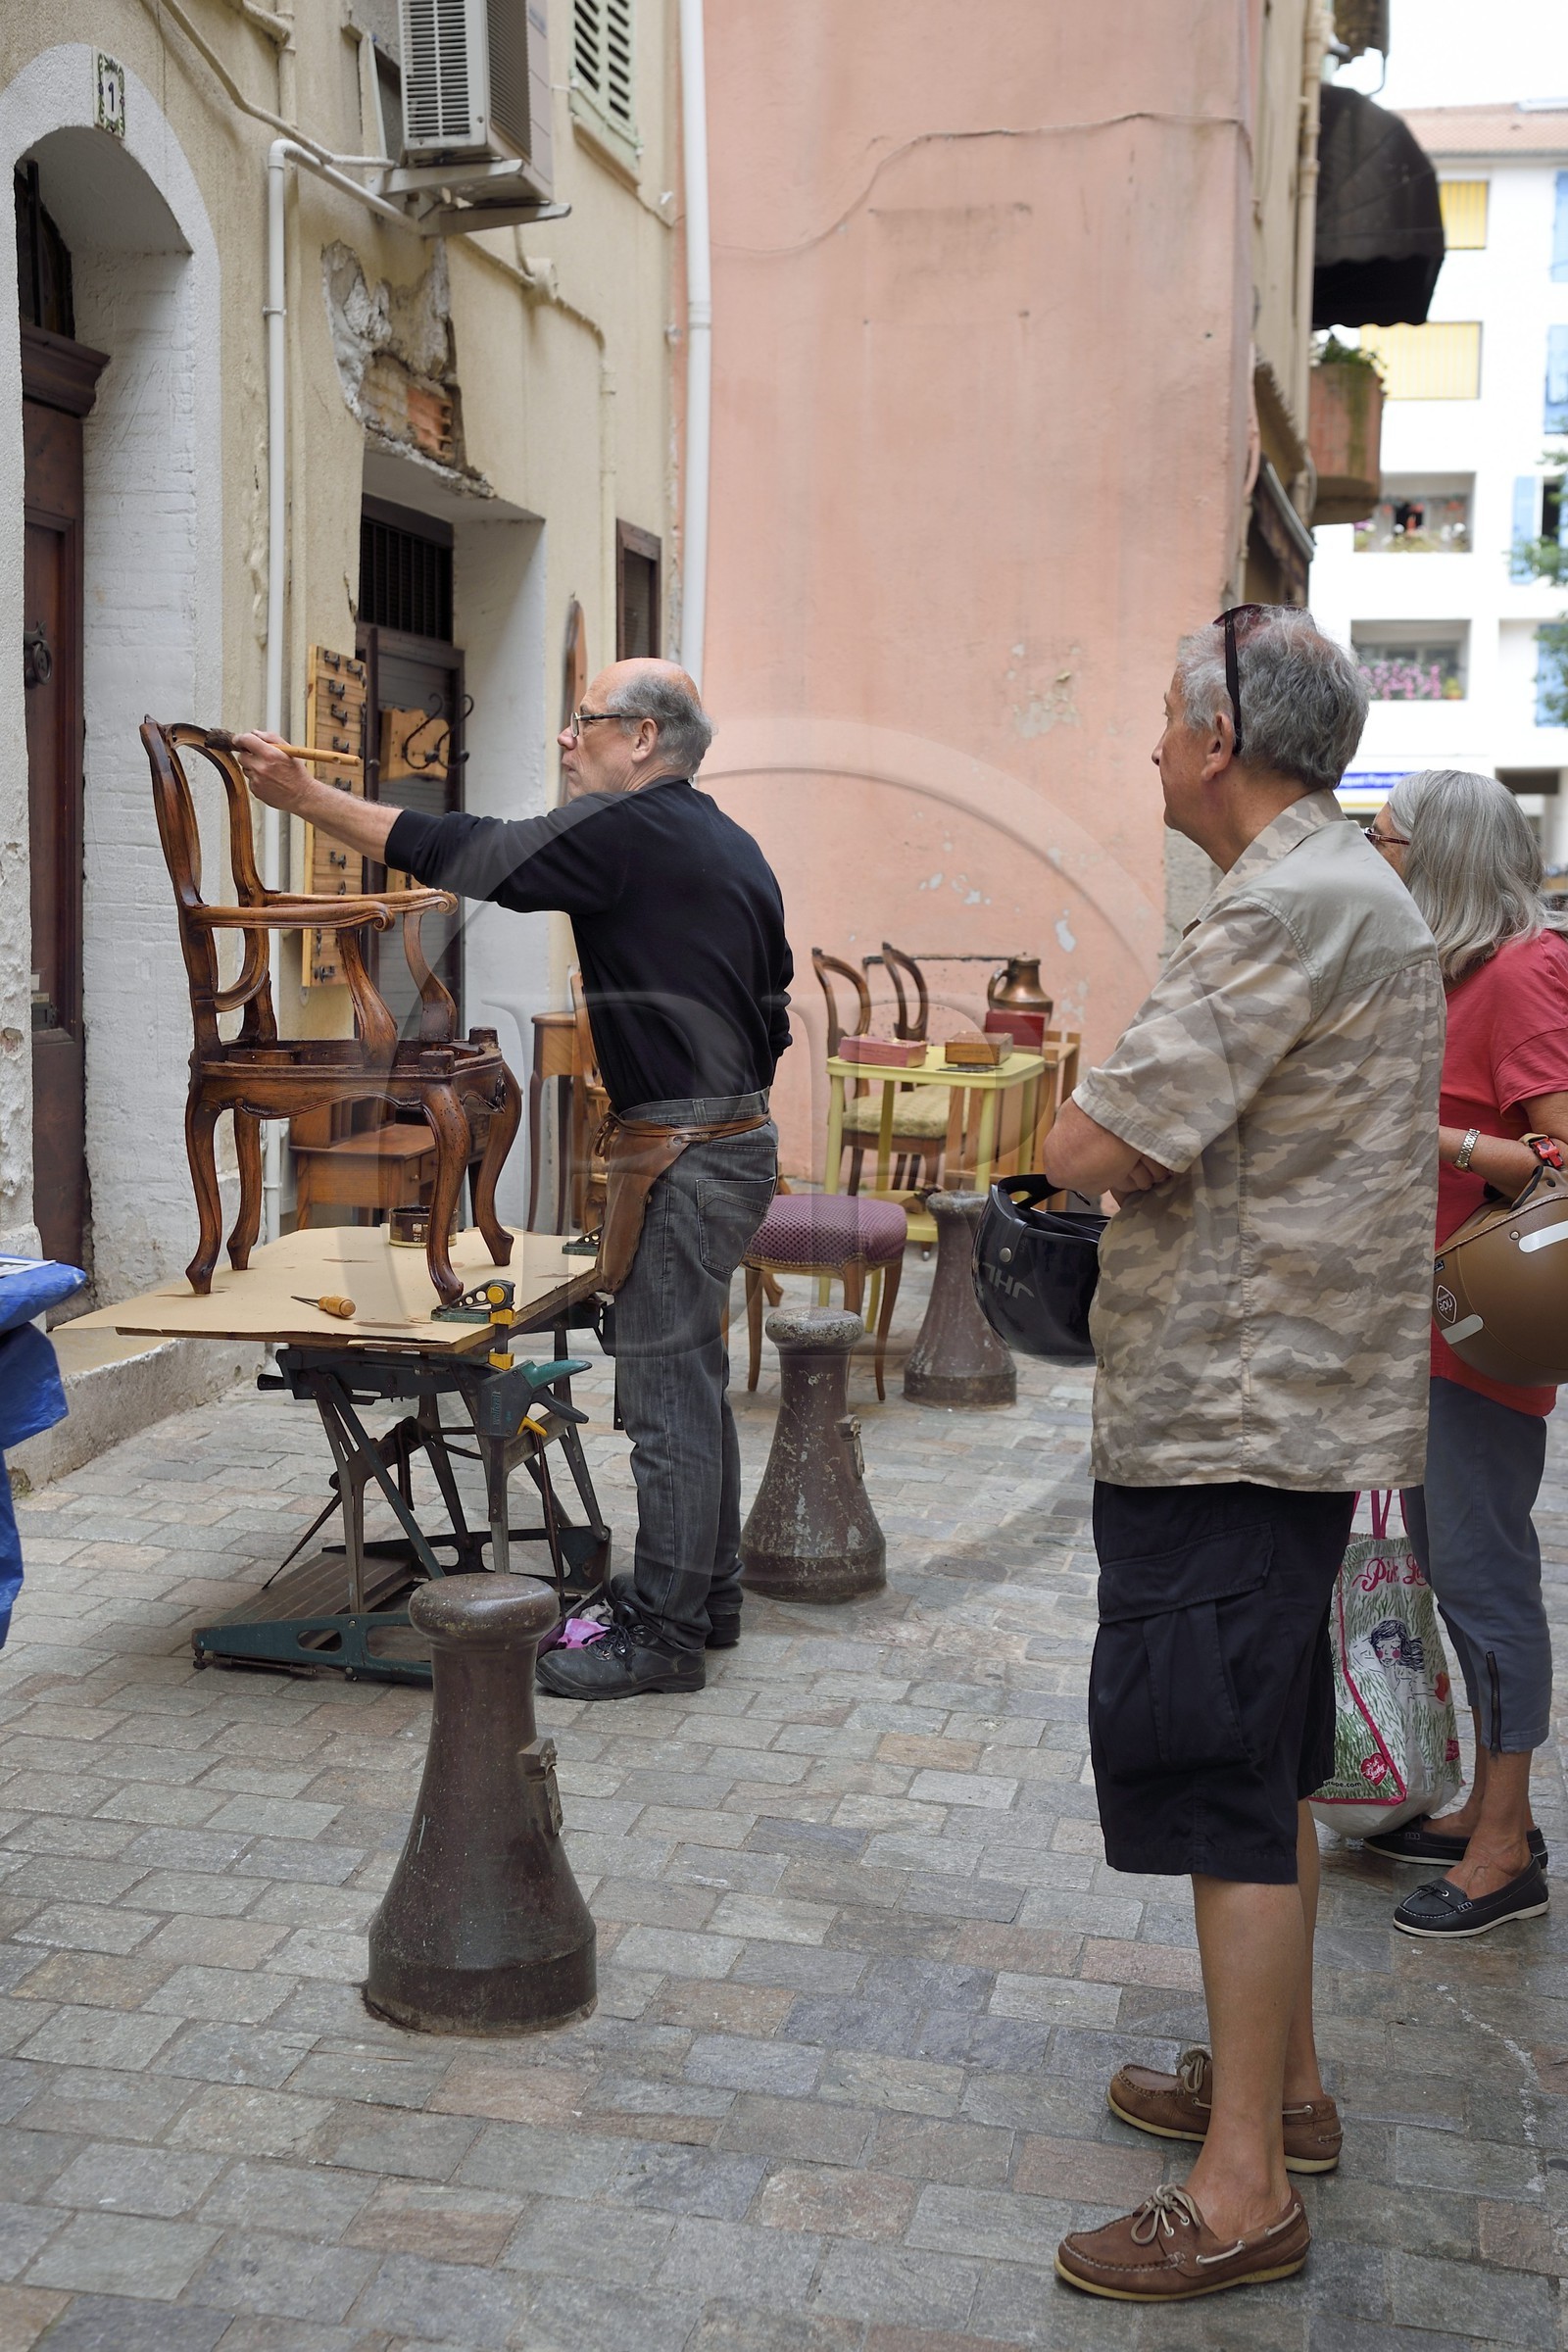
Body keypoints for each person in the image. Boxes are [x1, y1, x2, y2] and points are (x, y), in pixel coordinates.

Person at [1041, 608, 1445, 2303]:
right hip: (1288, 1404)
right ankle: (1282, 2093)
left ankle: (1241, 2192)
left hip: (1234, 1411)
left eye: (1164, 717)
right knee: (1263, 1766)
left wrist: (1082, 1129)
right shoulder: (1347, 888)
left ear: (1221, 742)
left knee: (1220, 1784)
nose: (1150, 745)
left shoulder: (1282, 906)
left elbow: (1093, 1140)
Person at [236, 660, 791, 1700]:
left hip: (690, 1149)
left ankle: (665, 1635)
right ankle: (701, 1597)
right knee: (690, 1385)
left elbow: (470, 851)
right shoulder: (725, 840)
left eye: (583, 722)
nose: (565, 740)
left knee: (665, 1400)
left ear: (642, 737)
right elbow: (777, 1006)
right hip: (727, 1136)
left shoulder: (630, 830)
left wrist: (306, 799)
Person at [1358, 769, 1568, 1936]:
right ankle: (1489, 1813)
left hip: (1482, 1331)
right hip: (1427, 1327)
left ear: (1436, 857)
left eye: (1383, 838)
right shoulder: (1453, 970)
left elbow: (1558, 1160)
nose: (1372, 854)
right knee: (1453, 1571)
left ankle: (1504, 1848)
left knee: (1486, 1583)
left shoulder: (1525, 969)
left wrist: (1424, 1134)